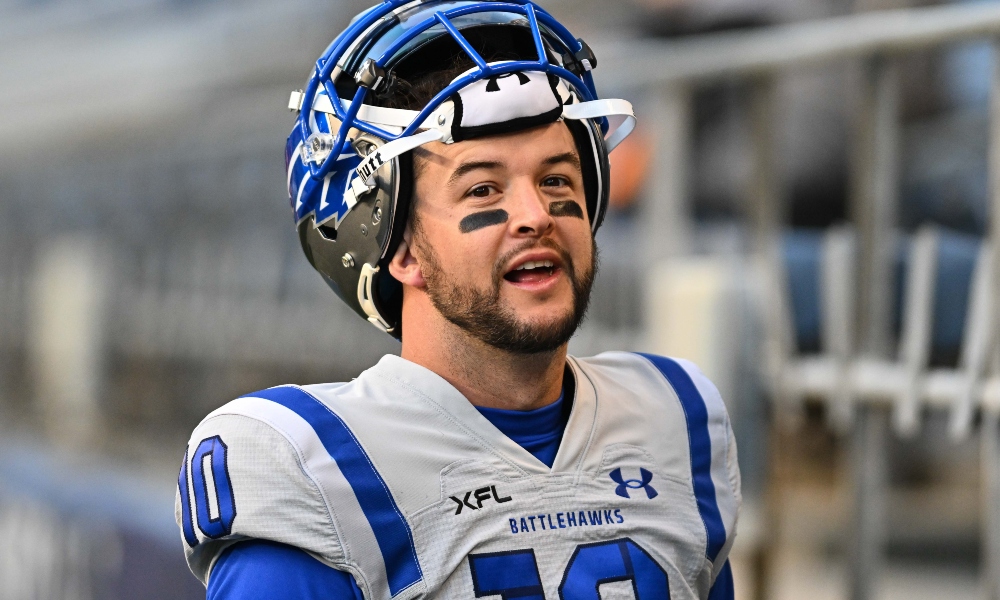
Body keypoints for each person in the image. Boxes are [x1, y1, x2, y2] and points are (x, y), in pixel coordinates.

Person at [175, 1, 740, 598]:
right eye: (482, 189)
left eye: (556, 179)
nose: (535, 216)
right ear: (398, 248)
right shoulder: (317, 470)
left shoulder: (675, 419)